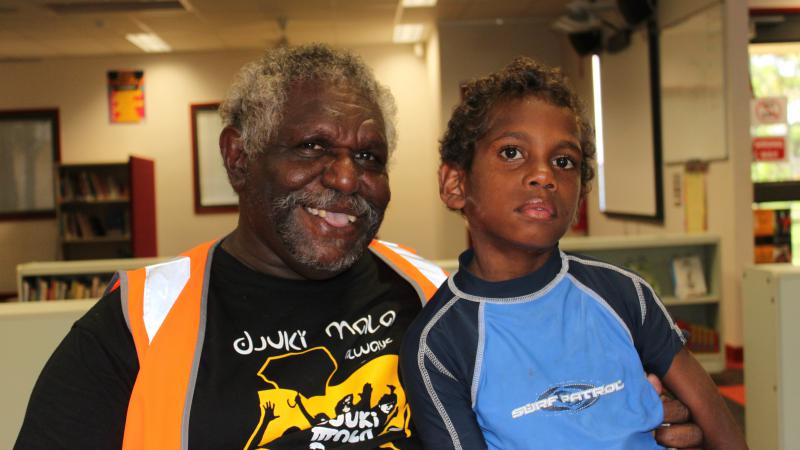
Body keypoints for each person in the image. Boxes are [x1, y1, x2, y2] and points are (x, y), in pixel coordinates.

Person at [14, 45, 703, 450]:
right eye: (314, 147)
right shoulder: (139, 323)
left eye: (369, 157)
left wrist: (648, 417)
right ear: (238, 157)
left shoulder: (431, 292)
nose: (347, 179)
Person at [400, 57, 746, 450]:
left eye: (564, 161)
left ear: (581, 194)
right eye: (512, 153)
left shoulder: (623, 293)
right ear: (455, 183)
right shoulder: (440, 343)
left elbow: (714, 419)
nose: (545, 175)